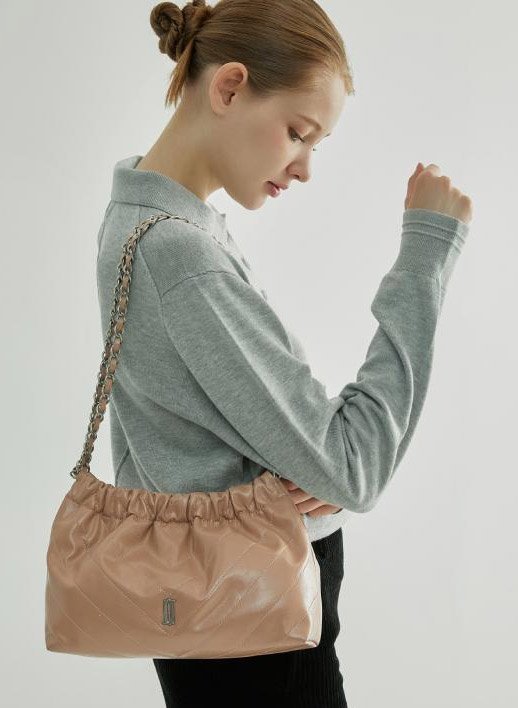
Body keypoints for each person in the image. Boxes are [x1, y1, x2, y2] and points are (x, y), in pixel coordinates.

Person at [95, 1, 472, 705]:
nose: (304, 169)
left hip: (220, 618)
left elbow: (241, 430)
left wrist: (311, 460)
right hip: (256, 630)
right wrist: (427, 251)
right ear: (230, 86)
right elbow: (352, 468)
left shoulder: (144, 218)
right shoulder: (180, 253)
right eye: (299, 133)